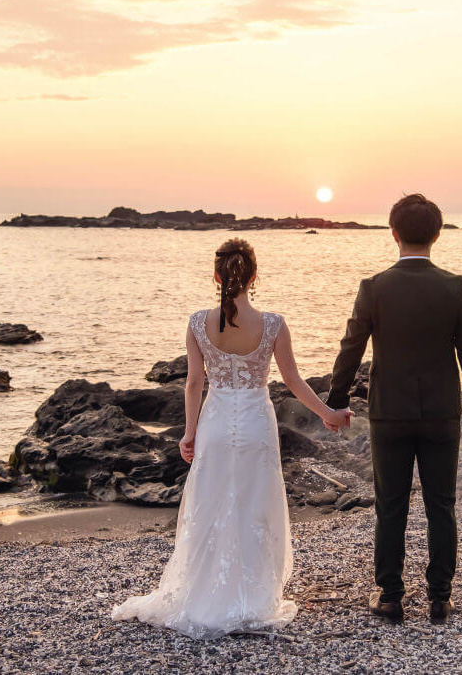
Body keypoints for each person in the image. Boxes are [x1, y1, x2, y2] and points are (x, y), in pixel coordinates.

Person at [111, 237, 352, 640]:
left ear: (216, 275)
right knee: (255, 507)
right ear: (254, 276)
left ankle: (203, 594)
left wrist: (188, 433)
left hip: (216, 423)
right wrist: (327, 413)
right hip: (257, 423)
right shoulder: (273, 324)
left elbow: (192, 384)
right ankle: (252, 599)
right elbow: (292, 381)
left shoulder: (196, 323)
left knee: (211, 506)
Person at [327, 193, 462, 624]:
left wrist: (336, 401)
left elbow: (351, 348)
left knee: (391, 505)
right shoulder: (454, 286)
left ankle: (390, 596)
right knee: (442, 504)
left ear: (394, 233)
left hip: (389, 414)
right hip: (440, 413)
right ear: (437, 235)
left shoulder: (374, 288)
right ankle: (440, 597)